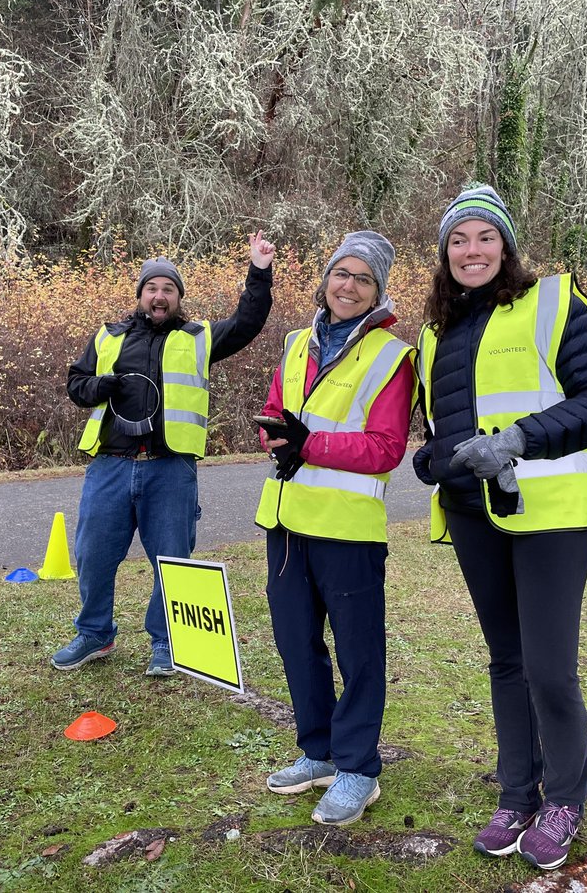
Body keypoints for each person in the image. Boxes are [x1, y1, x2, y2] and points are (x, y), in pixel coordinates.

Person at [412, 186, 587, 870]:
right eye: (459, 240)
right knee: (506, 662)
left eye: (484, 237)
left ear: (505, 245)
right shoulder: (432, 332)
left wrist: (517, 441)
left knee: (550, 670)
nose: (471, 251)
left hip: (551, 514)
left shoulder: (553, 303)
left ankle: (564, 799)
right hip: (476, 517)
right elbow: (440, 430)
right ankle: (516, 792)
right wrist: (434, 458)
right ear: (445, 254)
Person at [52, 232, 276, 676]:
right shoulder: (108, 337)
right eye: (151, 288)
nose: (159, 296)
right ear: (140, 296)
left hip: (170, 469)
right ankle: (95, 634)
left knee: (173, 560)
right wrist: (102, 385)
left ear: (178, 298)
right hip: (110, 467)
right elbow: (76, 385)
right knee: (93, 555)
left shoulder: (199, 337)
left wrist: (259, 270)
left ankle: (166, 641)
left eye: (168, 289)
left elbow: (248, 321)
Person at [253, 231, 417, 826]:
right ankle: (317, 753)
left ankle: (357, 769)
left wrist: (309, 443)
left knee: (358, 653)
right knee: (296, 645)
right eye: (340, 274)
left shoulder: (391, 357)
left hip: (348, 530)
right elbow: (278, 412)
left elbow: (386, 448)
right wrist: (276, 435)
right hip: (286, 522)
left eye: (363, 278)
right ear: (325, 279)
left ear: (378, 291)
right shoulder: (298, 342)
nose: (348, 286)